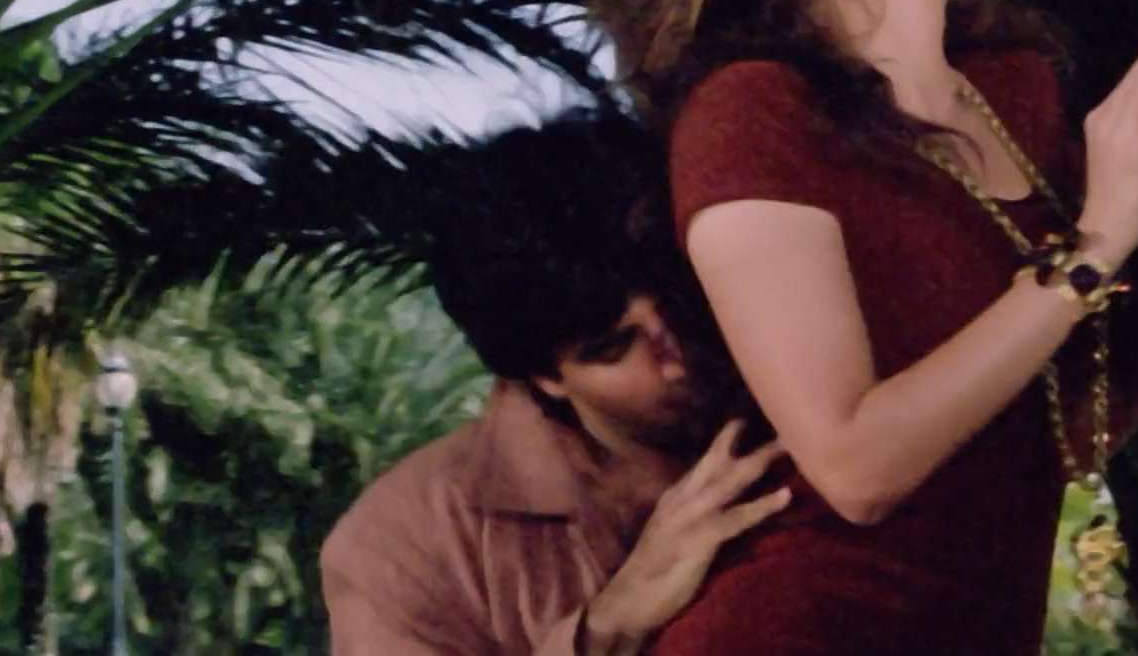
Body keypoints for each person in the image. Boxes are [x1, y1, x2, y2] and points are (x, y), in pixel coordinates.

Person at [590, 0, 1138, 654]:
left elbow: (1058, 430)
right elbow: (855, 468)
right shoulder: (750, 114)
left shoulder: (1018, 92)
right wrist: (1095, 247)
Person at [320, 110, 792, 655]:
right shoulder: (403, 545)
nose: (678, 359)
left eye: (684, 306)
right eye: (615, 347)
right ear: (544, 377)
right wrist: (607, 627)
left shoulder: (803, 387)